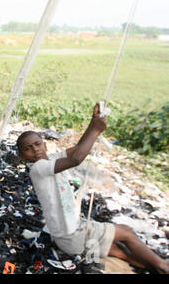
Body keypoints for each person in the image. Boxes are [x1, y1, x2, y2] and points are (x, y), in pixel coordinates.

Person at [16, 103, 169, 274]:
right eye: (28, 149)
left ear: (44, 144)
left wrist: (93, 122)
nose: (35, 150)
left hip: (66, 235)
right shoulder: (38, 168)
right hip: (71, 233)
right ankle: (163, 265)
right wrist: (96, 130)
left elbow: (77, 150)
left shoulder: (50, 160)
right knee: (126, 233)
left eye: (37, 144)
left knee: (120, 251)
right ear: (22, 157)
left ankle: (157, 267)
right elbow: (76, 159)